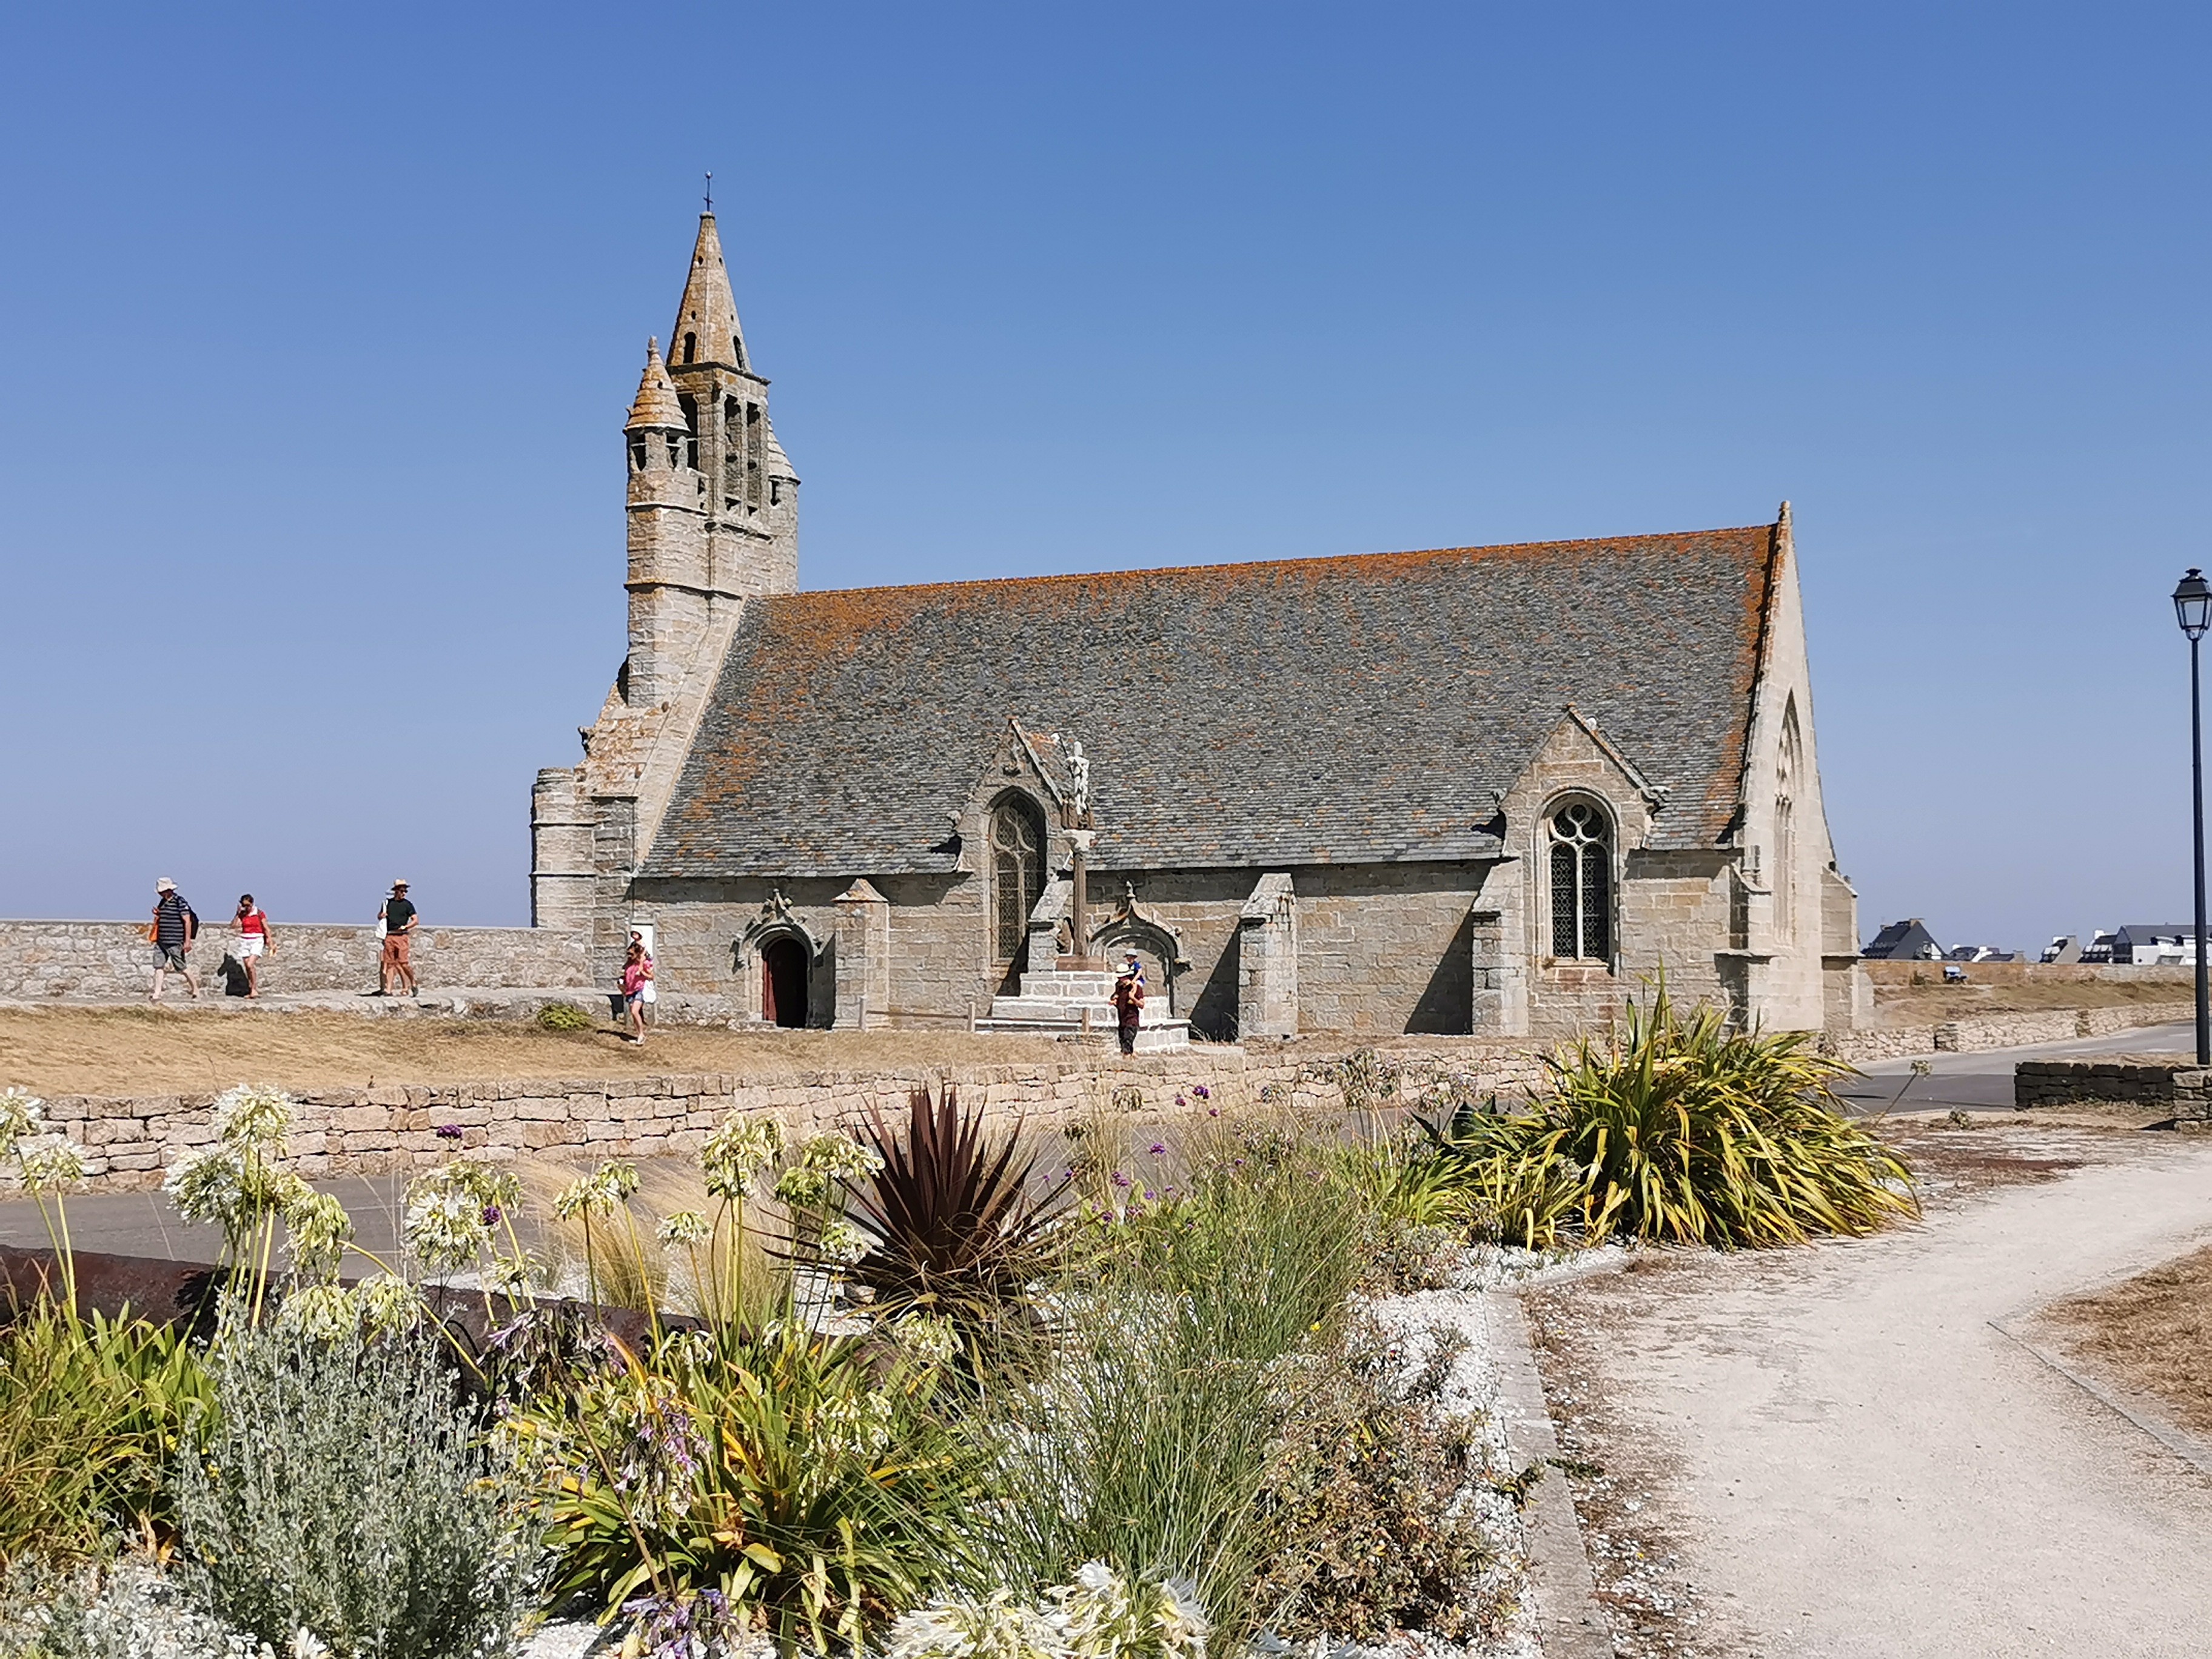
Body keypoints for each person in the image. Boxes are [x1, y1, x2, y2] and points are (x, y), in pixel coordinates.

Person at [149, 877, 200, 1002]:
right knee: (159, 966)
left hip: (175, 941)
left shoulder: (180, 902)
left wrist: (187, 941)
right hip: (161, 941)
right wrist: (158, 914)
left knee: (181, 967)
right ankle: (157, 993)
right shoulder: (163, 903)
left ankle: (196, 989)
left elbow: (187, 921)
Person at [376, 879, 418, 996]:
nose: (404, 893)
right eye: (402, 891)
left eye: (405, 891)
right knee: (389, 963)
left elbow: (415, 920)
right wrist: (381, 916)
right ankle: (388, 990)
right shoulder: (388, 903)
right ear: (396, 891)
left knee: (403, 963)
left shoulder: (407, 905)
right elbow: (379, 916)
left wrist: (406, 927)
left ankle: (413, 982)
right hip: (390, 935)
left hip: (402, 936)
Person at [233, 894, 274, 999]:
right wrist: (237, 914)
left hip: (257, 940)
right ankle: (251, 988)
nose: (246, 907)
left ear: (252, 904)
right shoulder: (242, 914)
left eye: (248, 905)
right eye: (244, 905)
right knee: (247, 966)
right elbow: (234, 926)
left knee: (250, 964)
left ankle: (254, 989)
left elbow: (266, 928)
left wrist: (270, 943)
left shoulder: (259, 914)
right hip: (245, 940)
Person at [1108, 953, 1145, 1056]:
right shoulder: (1119, 986)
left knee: (1127, 1043)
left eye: (1122, 977)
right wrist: (1114, 1001)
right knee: (1123, 1043)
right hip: (1122, 1020)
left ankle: (1127, 1062)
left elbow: (1142, 1005)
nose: (1120, 979)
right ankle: (1129, 1062)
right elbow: (1116, 997)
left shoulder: (1136, 988)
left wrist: (1133, 998)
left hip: (1131, 1020)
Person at [621, 933, 655, 1045]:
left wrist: (642, 972)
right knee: (634, 1014)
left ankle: (641, 1035)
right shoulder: (629, 965)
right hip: (630, 990)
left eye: (631, 954)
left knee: (635, 1011)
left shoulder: (643, 964)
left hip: (640, 989)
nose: (630, 956)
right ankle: (640, 1034)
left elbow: (651, 977)